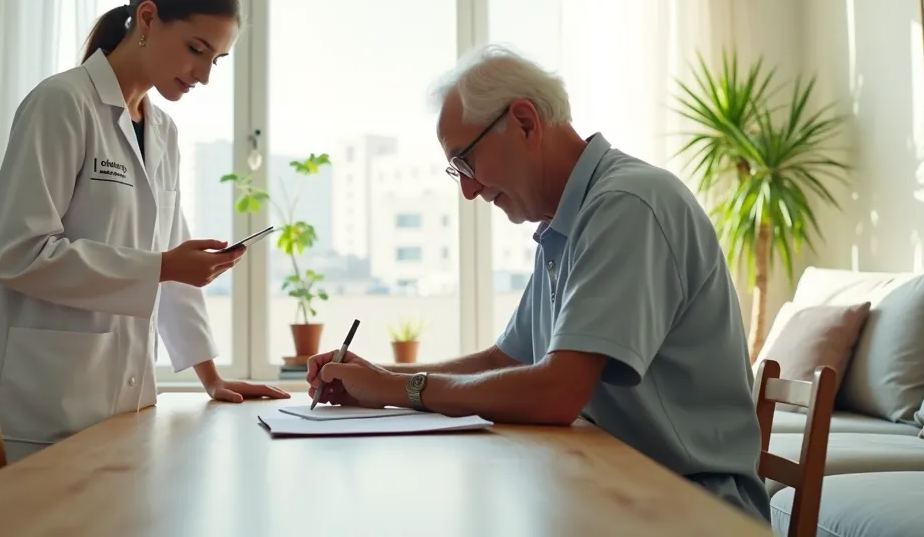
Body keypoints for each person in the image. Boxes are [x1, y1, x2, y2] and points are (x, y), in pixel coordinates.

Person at [306, 45, 771, 522]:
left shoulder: (627, 204)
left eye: (465, 161)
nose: (468, 190)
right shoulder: (565, 224)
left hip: (696, 507)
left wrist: (395, 389)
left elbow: (556, 392)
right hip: (620, 486)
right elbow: (502, 361)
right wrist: (377, 378)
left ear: (525, 123)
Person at [0, 0, 288, 463]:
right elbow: (20, 253)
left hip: (119, 402)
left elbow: (171, 263)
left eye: (217, 60)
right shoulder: (62, 103)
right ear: (149, 18)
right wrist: (161, 266)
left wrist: (211, 377)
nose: (204, 75)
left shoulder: (163, 132)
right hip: (37, 399)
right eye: (196, 50)